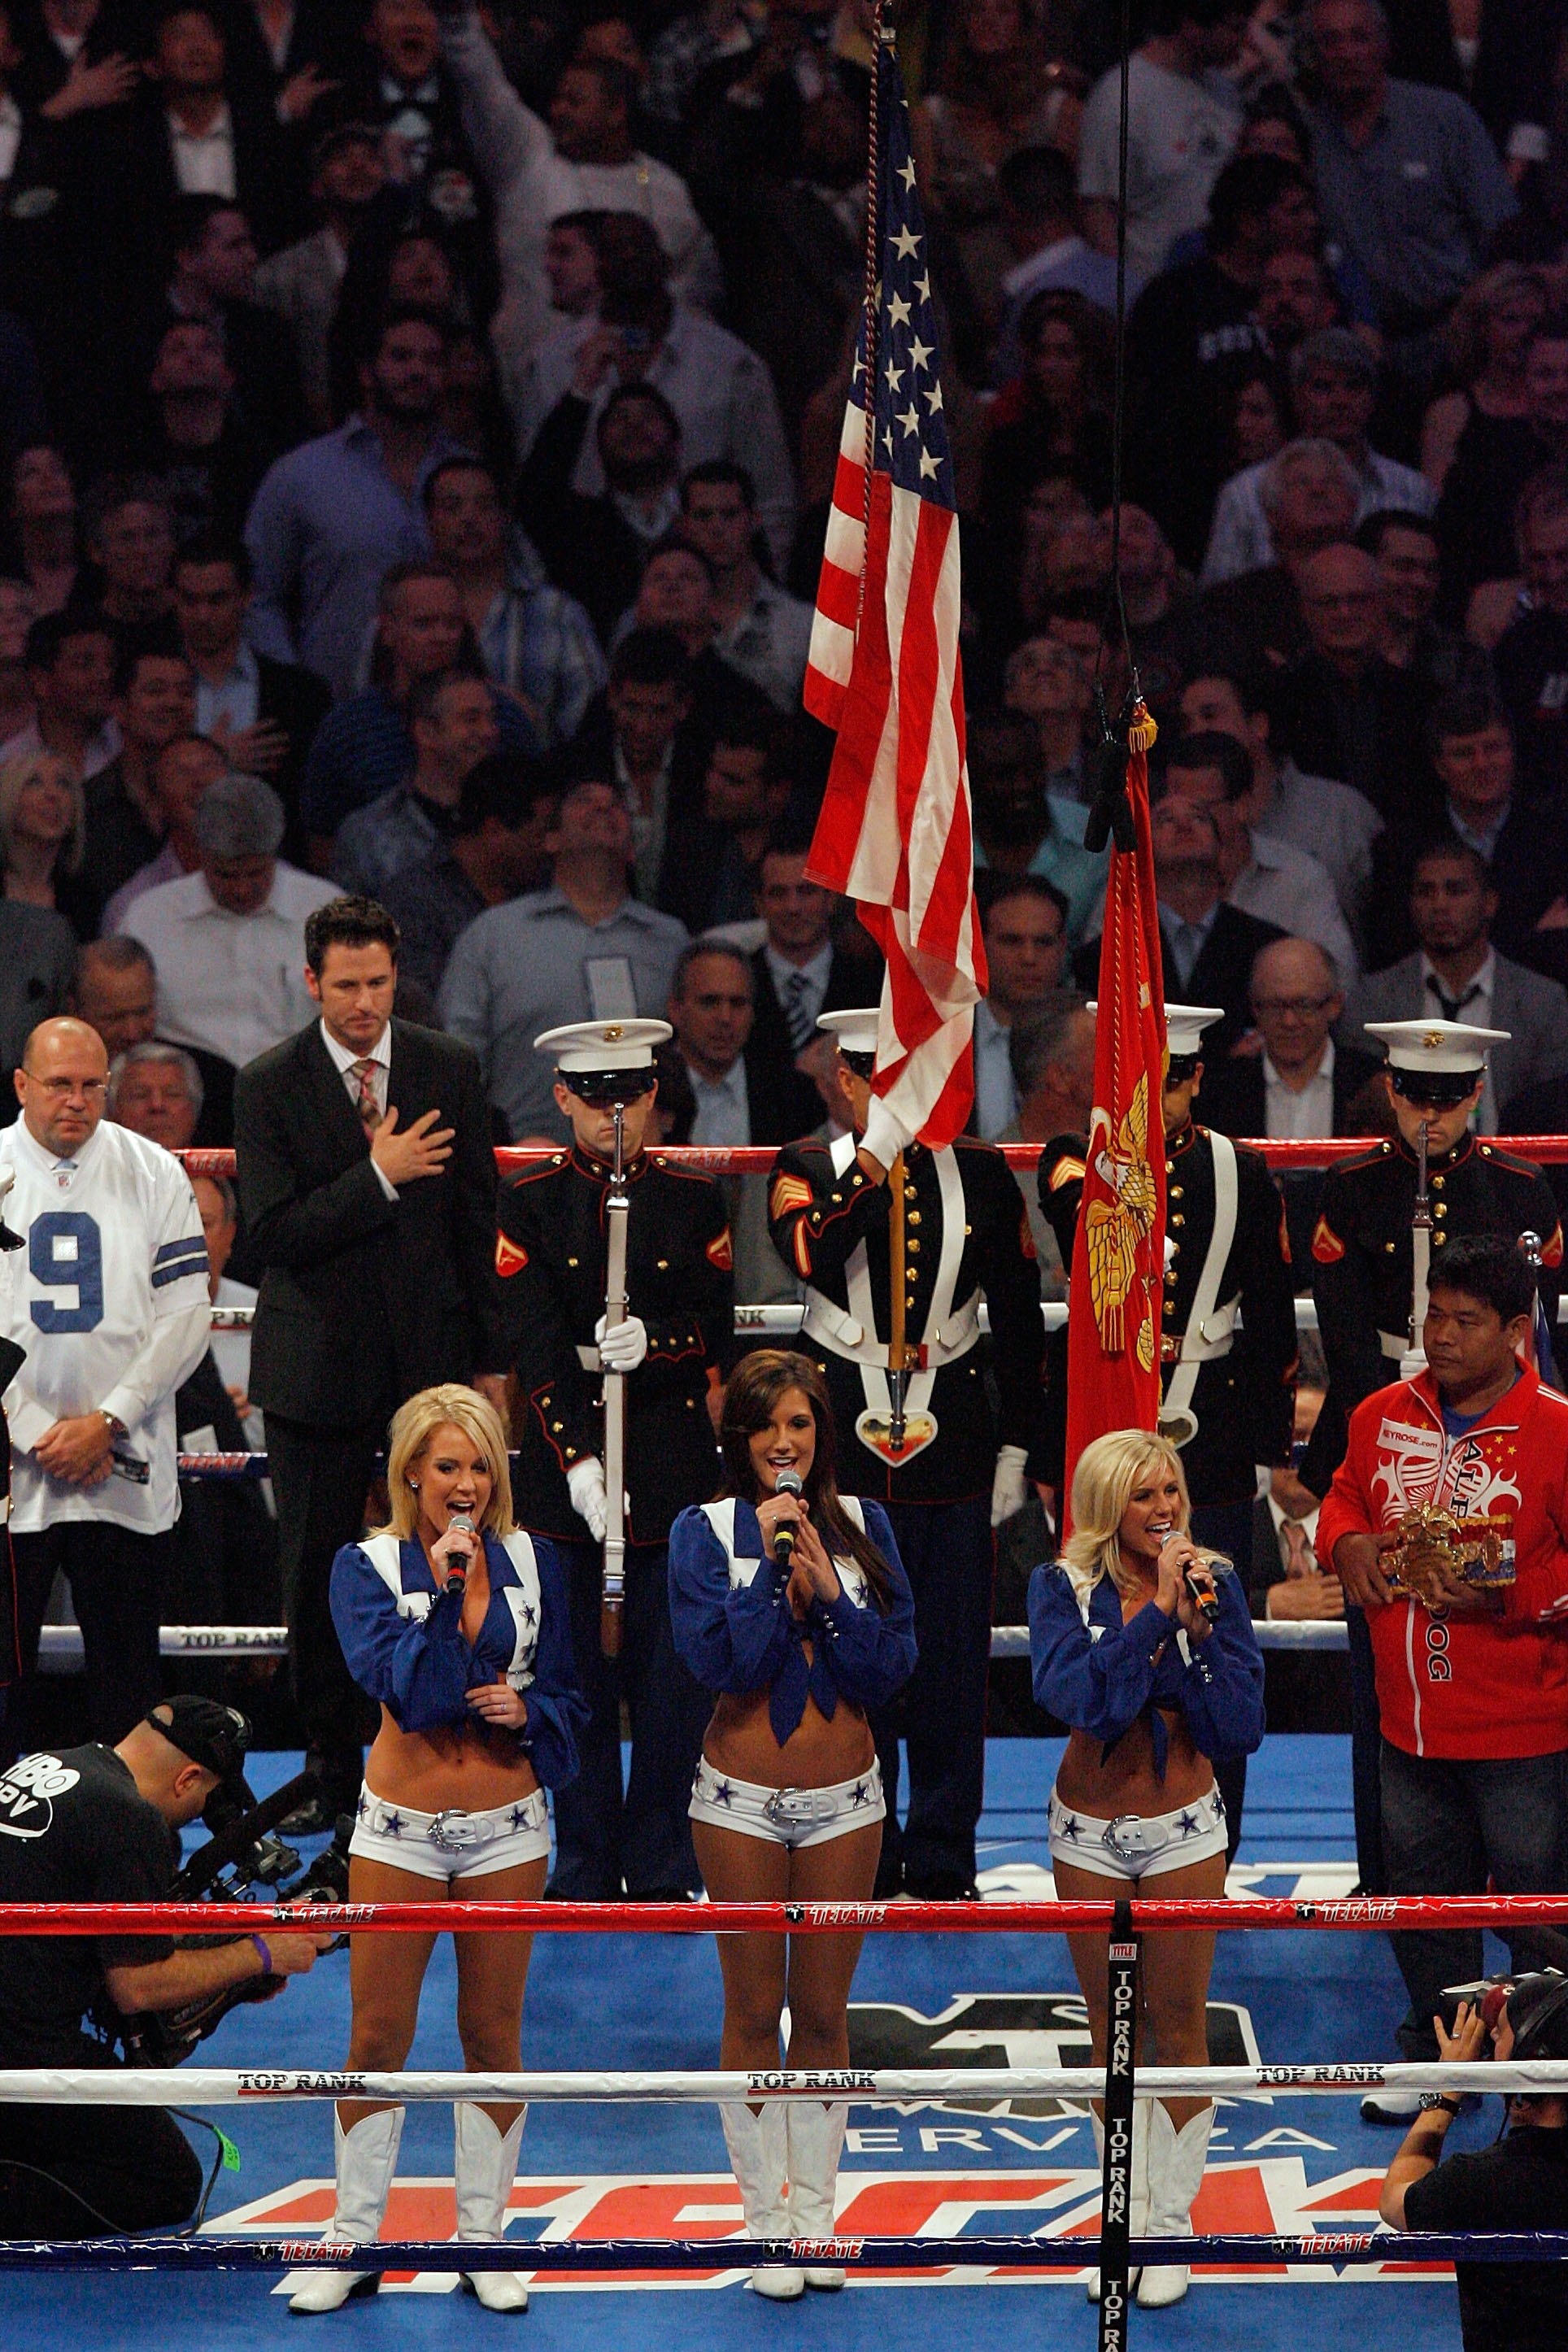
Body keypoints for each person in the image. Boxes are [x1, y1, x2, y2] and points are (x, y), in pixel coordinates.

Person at [285, 1385, 585, 2312]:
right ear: (410, 1470)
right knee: (377, 2035)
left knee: (493, 2036)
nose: (464, 1485)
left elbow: (574, 1692)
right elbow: (401, 1688)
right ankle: (350, 2240)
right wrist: (445, 1591)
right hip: (398, 1831)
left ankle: (484, 2242)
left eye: (480, 1466)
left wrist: (529, 1711)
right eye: (446, 1466)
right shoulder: (363, 1566)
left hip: (507, 1829)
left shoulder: (537, 1559)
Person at [233, 895, 509, 1827]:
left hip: (425, 1372)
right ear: (312, 982)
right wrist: (379, 1174)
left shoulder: (447, 1067)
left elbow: (478, 1224)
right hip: (313, 1377)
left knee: (444, 1561)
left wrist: (492, 1368)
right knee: (314, 1573)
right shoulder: (268, 1082)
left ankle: (438, 1747)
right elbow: (268, 1233)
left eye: (378, 982)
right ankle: (327, 1768)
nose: (363, 1002)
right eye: (345, 985)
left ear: (398, 976)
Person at [767, 1007, 1046, 1899]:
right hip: (840, 1435)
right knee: (845, 1650)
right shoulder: (806, 1168)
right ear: (842, 1080)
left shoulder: (983, 1174)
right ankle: (864, 1852)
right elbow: (815, 1254)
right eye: (872, 1078)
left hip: (955, 1438)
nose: (891, 1093)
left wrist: (1015, 1446)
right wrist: (876, 1157)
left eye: (905, 1077)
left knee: (952, 1665)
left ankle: (941, 1858)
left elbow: (1018, 1320)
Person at [668, 1350, 916, 2298]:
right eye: (766, 1425)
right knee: (749, 2008)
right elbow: (714, 1665)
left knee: (820, 2011)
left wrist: (832, 1594)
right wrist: (773, 1582)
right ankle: (761, 2221)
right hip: (736, 1802)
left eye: (800, 1425)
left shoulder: (868, 1528)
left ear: (822, 1434)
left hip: (844, 1804)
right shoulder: (704, 1532)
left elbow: (891, 1666)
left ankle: (815, 2213)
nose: (784, 1442)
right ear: (741, 1438)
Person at [1303, 1020, 1563, 1912]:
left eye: (1446, 1098)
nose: (1429, 1115)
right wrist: (1378, 1448)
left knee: (1504, 1633)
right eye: (1414, 1096)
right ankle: (1388, 1875)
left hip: (1501, 1427)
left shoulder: (1522, 1192)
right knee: (1379, 1658)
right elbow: (1340, 1339)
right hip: (1386, 1425)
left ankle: (1522, 1884)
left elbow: (1542, 1334)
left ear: (1474, 1096)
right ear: (1389, 1092)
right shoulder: (1351, 1185)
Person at [1318, 1235, 1568, 2123]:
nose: (1442, 1336)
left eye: (1466, 1321)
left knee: (1535, 1905)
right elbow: (1344, 1493)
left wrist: (1509, 1596)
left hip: (1519, 1727)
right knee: (1422, 1901)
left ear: (1513, 1331)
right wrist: (1344, 1540)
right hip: (1404, 1721)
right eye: (1433, 1315)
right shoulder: (1378, 1410)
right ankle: (1439, 2053)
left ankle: (1547, 2061)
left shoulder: (1556, 1429)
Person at [1036, 1003, 1295, 1853]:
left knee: (1215, 1629)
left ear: (1191, 1080)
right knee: (1107, 1628)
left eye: (1170, 1085)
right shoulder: (1074, 1161)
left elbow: (1268, 1318)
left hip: (1209, 1430)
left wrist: (1270, 1450)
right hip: (1112, 1428)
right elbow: (1081, 1254)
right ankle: (1105, 1814)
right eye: (1139, 1089)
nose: (1159, 1104)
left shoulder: (1243, 1171)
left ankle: (1219, 1832)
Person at [1029, 1428, 1264, 2306]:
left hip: (1182, 1829)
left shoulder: (1219, 1583)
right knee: (1108, 2031)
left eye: (1169, 1491)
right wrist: (1156, 1622)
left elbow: (1238, 1726)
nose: (1163, 1509)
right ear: (1104, 1504)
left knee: (1177, 2022)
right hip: (1086, 1832)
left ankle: (1170, 2227)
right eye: (1142, 1495)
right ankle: (1119, 2220)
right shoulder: (1059, 1586)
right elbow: (1082, 1699)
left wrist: (1197, 1638)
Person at [497, 1016, 729, 1898]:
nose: (615, 1115)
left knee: (673, 1691)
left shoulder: (692, 1197)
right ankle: (586, 1862)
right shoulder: (528, 1201)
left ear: (653, 1098)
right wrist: (580, 1463)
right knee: (572, 1681)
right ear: (563, 1099)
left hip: (668, 1466)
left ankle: (665, 1865)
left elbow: (716, 1322)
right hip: (566, 1484)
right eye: (596, 1098)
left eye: (630, 1096)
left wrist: (659, 1342)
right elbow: (535, 1347)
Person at [0, 1697, 333, 2235]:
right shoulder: (129, 1818)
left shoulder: (53, 1764)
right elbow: (137, 1987)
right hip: (22, 2050)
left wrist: (236, 1967)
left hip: (19, 2025)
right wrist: (264, 1952)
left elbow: (110, 1932)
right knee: (168, 2180)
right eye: (205, 1798)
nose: (201, 1812)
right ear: (188, 1778)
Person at [0, 1017, 211, 1745]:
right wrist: (33, 1431)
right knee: (5, 1681)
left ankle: (132, 1852)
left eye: (93, 1085)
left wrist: (107, 1421)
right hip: (10, 1472)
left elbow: (186, 1315)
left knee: (129, 1680)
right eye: (60, 1084)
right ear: (23, 1084)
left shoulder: (154, 1169)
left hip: (122, 1462)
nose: (78, 1101)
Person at [438, 6, 721, 412]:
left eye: (574, 100)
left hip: (646, 393)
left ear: (616, 112)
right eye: (557, 99)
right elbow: (481, 81)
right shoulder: (531, 156)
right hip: (533, 385)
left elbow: (693, 302)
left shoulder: (656, 183)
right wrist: (455, 21)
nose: (558, 111)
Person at [438, 776, 689, 1142]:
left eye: (616, 805)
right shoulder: (492, 935)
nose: (603, 808)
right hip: (524, 1164)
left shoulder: (671, 941)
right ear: (550, 839)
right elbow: (458, 1058)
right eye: (585, 801)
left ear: (634, 847)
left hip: (643, 1165)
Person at [244, 303, 468, 702]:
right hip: (334, 707)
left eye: (432, 360)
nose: (417, 371)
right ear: (366, 373)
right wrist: (296, 687)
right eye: (400, 357)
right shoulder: (301, 474)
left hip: (453, 710)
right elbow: (259, 596)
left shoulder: (471, 477)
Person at [1380, 1975, 1568, 2350]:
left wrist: (1448, 2088)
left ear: (1531, 2060)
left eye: (1500, 2033)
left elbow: (1394, 2201)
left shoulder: (1478, 2181)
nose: (1490, 2043)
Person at [117, 773, 338, 1072]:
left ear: (275, 854)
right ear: (201, 855)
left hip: (299, 1084)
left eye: (256, 873)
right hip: (186, 1090)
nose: (241, 889)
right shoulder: (149, 917)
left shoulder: (327, 912)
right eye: (226, 875)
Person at [1346, 838, 1568, 1132]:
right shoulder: (1372, 999)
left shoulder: (1543, 1001)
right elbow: (1362, 1110)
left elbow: (1550, 1110)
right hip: (1407, 1165)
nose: (1440, 905)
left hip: (1510, 1167)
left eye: (1455, 890)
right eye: (1426, 892)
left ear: (1489, 903)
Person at [421, 455, 605, 753]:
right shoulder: (402, 613)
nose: (469, 519)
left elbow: (589, 725)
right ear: (429, 521)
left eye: (484, 506)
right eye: (452, 507)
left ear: (505, 517)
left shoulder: (557, 613)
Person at [1076, 0, 1245, 285]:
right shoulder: (1120, 98)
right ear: (1192, 28)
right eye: (1236, 28)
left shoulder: (1224, 90)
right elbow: (1099, 212)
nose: (1247, 39)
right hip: (1159, 290)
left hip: (1227, 288)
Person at [379, 756, 558, 999]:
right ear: (494, 830)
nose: (550, 846)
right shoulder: (413, 900)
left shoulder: (546, 891)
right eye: (539, 835)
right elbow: (419, 1004)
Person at [330, 668, 503, 899]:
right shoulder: (368, 834)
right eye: (471, 719)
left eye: (491, 718)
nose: (489, 731)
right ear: (426, 732)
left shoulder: (510, 822)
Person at [973, 877, 1070, 1141]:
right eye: (1011, 941)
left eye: (1043, 942)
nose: (1028, 958)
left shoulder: (1090, 1037)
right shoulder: (945, 1036)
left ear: (1063, 946)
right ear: (980, 943)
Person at [107, 1039, 203, 1153]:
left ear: (194, 1106)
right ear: (113, 1111)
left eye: (172, 1095)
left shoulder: (225, 1169)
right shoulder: (93, 1169)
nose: (157, 1105)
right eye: (140, 1095)